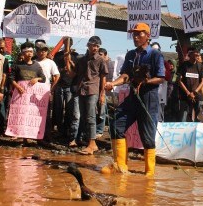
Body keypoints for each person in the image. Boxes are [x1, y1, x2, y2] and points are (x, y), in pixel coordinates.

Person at [104, 22, 165, 175]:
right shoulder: (131, 54)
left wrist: (145, 82)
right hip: (132, 98)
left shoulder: (155, 54)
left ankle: (149, 174)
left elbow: (161, 77)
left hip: (148, 99)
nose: (136, 37)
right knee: (116, 125)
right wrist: (113, 83)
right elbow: (125, 76)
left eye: (139, 34)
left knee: (148, 138)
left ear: (148, 36)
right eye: (134, 34)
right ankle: (120, 166)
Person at [71, 36, 107, 155]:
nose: (95, 48)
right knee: (84, 116)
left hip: (93, 90)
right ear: (88, 45)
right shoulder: (81, 59)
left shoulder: (101, 60)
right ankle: (88, 141)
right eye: (93, 45)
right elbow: (73, 73)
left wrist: (102, 94)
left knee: (91, 117)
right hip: (82, 90)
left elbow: (103, 78)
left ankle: (93, 144)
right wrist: (67, 58)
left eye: (97, 46)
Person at [9, 42, 46, 141]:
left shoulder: (37, 66)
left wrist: (37, 79)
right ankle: (17, 133)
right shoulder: (17, 65)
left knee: (30, 115)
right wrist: (17, 86)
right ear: (22, 53)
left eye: (31, 51)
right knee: (19, 114)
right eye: (27, 52)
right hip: (20, 94)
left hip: (32, 96)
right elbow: (11, 78)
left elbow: (44, 78)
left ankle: (28, 136)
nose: (29, 53)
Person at [52, 37, 79, 137]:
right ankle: (59, 128)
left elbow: (76, 69)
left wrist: (70, 62)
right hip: (59, 84)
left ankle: (67, 128)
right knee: (58, 108)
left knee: (69, 109)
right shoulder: (58, 55)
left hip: (70, 85)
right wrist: (62, 69)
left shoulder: (75, 56)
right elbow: (54, 68)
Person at [35, 41, 60, 140]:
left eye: (44, 50)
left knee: (45, 114)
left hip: (45, 91)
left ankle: (46, 135)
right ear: (36, 51)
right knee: (33, 113)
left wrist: (51, 88)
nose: (42, 52)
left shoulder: (51, 62)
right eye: (40, 50)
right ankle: (34, 132)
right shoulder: (33, 62)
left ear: (46, 52)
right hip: (33, 91)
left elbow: (57, 76)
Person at [177, 47, 203, 122]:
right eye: (196, 52)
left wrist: (195, 92)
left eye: (198, 52)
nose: (198, 54)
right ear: (190, 54)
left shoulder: (200, 66)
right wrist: (188, 92)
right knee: (183, 118)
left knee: (199, 119)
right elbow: (179, 80)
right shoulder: (183, 65)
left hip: (197, 96)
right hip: (185, 96)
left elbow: (202, 81)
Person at [96, 47, 113, 138]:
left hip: (106, 90)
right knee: (99, 110)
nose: (99, 56)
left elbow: (109, 77)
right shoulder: (99, 63)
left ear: (105, 55)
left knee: (102, 111)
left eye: (101, 55)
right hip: (98, 89)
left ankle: (99, 130)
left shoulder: (110, 64)